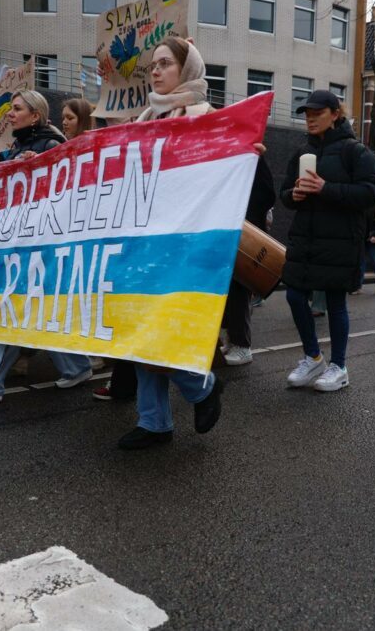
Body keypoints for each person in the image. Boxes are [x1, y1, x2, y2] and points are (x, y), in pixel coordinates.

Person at [116, 37, 227, 450]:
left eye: (165, 63)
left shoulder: (205, 116)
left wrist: (244, 151)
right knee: (140, 329)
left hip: (183, 242)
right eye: (152, 66)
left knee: (156, 330)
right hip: (143, 242)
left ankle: (199, 388)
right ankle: (155, 420)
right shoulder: (145, 118)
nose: (156, 71)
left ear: (188, 68)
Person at [0, 90, 93, 404]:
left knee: (12, 307)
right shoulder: (16, 147)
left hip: (42, 245)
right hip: (21, 243)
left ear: (35, 115)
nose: (9, 114)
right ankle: (77, 366)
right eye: (9, 109)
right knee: (36, 310)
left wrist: (44, 166)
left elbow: (73, 188)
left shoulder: (51, 145)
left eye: (16, 108)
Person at [280, 89, 375, 392]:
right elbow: (285, 192)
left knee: (336, 302)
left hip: (340, 239)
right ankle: (313, 357)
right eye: (307, 115)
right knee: (294, 295)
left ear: (335, 114)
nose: (310, 119)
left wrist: (326, 188)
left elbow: (370, 194)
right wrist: (294, 196)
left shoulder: (356, 152)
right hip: (306, 238)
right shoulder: (300, 152)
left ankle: (339, 366)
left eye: (317, 113)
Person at [221, 159, 276, 366]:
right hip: (226, 228)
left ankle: (242, 345)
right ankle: (232, 338)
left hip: (243, 231)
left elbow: (266, 195)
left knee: (238, 290)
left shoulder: (253, 157)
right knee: (225, 290)